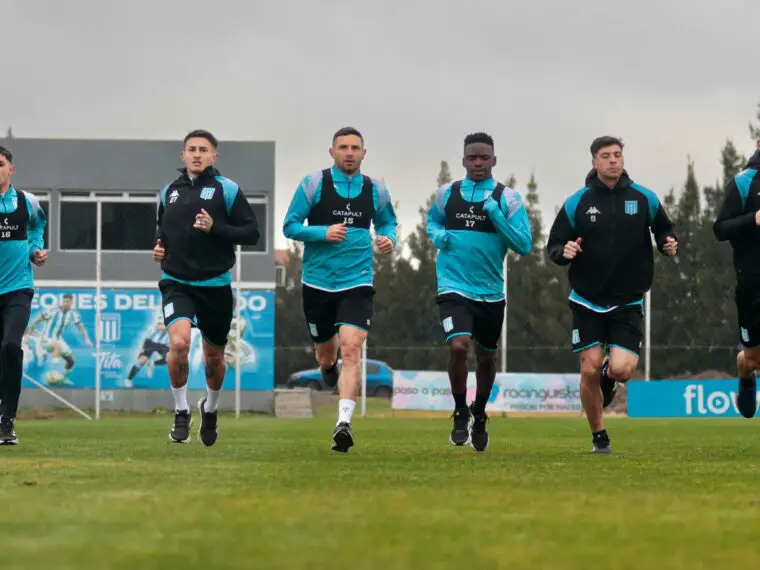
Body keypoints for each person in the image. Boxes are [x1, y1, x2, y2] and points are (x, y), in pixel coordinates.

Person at [546, 136, 678, 453]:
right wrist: (564, 251)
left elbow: (664, 229)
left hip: (627, 301)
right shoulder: (577, 202)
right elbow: (553, 246)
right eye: (606, 156)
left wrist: (668, 242)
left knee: (621, 369)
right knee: (588, 367)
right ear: (594, 161)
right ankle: (599, 436)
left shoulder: (644, 198)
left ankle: (610, 375)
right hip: (587, 300)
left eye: (617, 155)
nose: (613, 161)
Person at [283, 127, 397, 452]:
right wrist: (322, 233)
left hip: (357, 281)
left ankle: (343, 424)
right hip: (317, 283)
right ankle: (326, 367)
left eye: (355, 148)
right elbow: (289, 226)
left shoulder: (376, 189)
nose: (349, 152)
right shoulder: (313, 184)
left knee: (351, 349)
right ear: (331, 152)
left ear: (364, 153)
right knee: (327, 355)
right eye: (343, 147)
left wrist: (389, 239)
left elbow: (388, 222)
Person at [427, 133, 532, 452]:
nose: (477, 163)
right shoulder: (448, 193)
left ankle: (480, 414)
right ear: (463, 160)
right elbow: (432, 223)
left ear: (494, 160)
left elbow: (524, 245)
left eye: (483, 158)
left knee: (485, 357)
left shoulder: (507, 199)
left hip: (489, 293)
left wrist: (496, 216)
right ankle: (460, 411)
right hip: (453, 286)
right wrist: (438, 236)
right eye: (472, 157)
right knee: (458, 347)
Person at [153, 130, 259, 446]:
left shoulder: (227, 190)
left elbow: (251, 233)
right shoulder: (168, 192)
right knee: (180, 344)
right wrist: (159, 248)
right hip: (176, 283)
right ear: (183, 155)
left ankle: (210, 409)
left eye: (203, 150)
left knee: (214, 358)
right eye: (191, 149)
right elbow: (162, 233)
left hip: (215, 285)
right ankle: (181, 411)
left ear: (214, 156)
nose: (197, 154)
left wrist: (216, 229)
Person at [0, 145, 48, 444]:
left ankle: (7, 420)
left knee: (10, 346)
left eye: (0, 164)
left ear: (10, 169)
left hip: (18, 288)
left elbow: (37, 227)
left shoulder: (27, 202)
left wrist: (35, 251)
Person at [714, 139, 760, 419]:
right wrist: (752, 219)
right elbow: (720, 228)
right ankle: (745, 370)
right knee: (754, 358)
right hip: (753, 281)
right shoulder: (745, 181)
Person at [27, 292, 92, 384]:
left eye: (68, 302)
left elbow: (80, 326)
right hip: (46, 339)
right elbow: (37, 320)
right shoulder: (53, 311)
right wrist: (28, 334)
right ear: (62, 301)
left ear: (72, 302)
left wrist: (86, 339)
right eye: (65, 301)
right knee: (57, 346)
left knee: (71, 361)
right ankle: (53, 373)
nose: (66, 303)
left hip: (59, 339)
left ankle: (63, 379)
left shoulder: (73, 314)